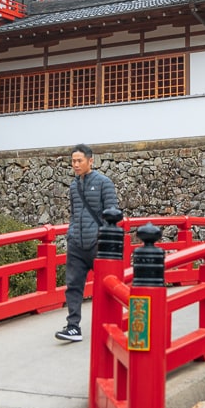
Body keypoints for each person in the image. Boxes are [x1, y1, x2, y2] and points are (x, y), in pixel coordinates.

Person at [56, 144, 118, 343]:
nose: (75, 164)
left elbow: (113, 213)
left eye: (79, 161)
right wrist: (71, 233)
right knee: (73, 285)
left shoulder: (103, 183)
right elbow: (74, 213)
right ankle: (73, 326)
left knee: (108, 286)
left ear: (91, 160)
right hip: (76, 242)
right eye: (73, 161)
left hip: (97, 243)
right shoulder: (74, 185)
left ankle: (114, 323)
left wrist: (103, 237)